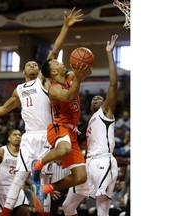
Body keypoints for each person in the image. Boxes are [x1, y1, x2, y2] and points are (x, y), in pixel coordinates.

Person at [0, 7, 84, 216]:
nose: (34, 65)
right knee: (20, 177)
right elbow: (3, 109)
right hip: (29, 136)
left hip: (49, 133)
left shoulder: (43, 81)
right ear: (24, 71)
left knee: (44, 180)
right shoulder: (19, 89)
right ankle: (5, 213)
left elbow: (53, 51)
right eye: (29, 64)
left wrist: (65, 26)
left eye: (36, 63)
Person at [61, 34, 120, 216]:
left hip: (103, 161)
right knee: (67, 207)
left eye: (99, 98)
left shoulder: (106, 112)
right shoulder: (90, 121)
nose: (96, 99)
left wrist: (109, 54)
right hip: (88, 163)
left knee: (102, 210)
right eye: (93, 98)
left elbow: (112, 84)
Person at [30, 44, 92, 212]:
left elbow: (89, 72)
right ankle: (37, 164)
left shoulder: (71, 76)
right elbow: (69, 96)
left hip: (72, 132)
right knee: (64, 150)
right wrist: (78, 77)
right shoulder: (54, 89)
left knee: (80, 177)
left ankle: (46, 189)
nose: (60, 63)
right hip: (59, 127)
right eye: (56, 63)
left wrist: (83, 66)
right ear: (54, 73)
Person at [0, 129, 30, 216]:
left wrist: (38, 187)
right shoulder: (3, 150)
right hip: (0, 189)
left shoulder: (24, 154)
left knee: (24, 211)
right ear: (9, 138)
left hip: (16, 188)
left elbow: (26, 176)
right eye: (15, 134)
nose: (18, 136)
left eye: (20, 135)